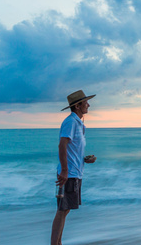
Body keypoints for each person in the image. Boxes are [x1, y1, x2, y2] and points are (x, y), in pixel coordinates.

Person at [51, 90, 97, 245]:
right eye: (85, 102)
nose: (88, 105)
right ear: (77, 106)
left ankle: (58, 243)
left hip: (75, 173)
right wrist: (64, 171)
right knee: (62, 210)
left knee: (66, 210)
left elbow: (71, 149)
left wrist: (84, 159)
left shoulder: (78, 123)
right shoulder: (71, 122)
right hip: (68, 174)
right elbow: (62, 146)